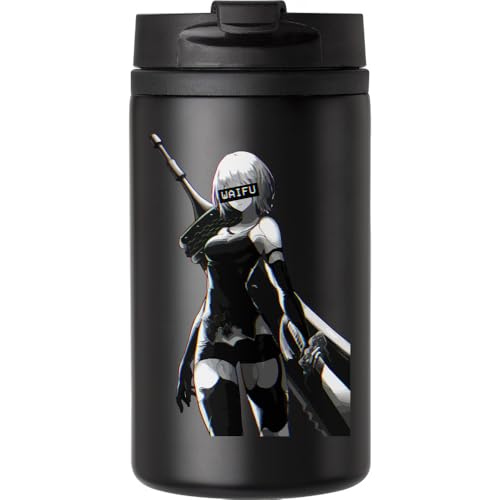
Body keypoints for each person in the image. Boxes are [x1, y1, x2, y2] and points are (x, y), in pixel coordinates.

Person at [176, 151, 311, 436]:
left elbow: (285, 290)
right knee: (223, 440)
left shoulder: (265, 228)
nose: (238, 192)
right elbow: (210, 300)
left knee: (275, 434)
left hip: (256, 337)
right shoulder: (216, 236)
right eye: (230, 186)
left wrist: (305, 341)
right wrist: (186, 360)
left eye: (245, 184)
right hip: (211, 341)